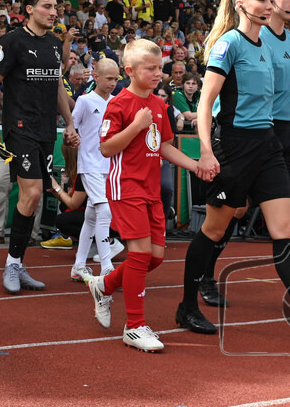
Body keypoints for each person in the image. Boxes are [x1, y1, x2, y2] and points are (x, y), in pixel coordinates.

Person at [179, 0, 290, 341]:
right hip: (235, 147)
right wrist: (207, 151)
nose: (269, 5)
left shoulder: (269, 49)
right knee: (214, 229)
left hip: (268, 144)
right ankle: (187, 306)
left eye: (271, 0)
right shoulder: (229, 44)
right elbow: (206, 102)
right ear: (241, 5)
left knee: (284, 229)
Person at [80, 39, 202, 353]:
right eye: (151, 68)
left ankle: (103, 285)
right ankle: (134, 326)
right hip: (126, 188)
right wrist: (135, 126)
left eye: (160, 68)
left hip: (151, 191)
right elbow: (106, 148)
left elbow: (163, 146)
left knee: (156, 257)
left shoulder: (161, 105)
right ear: (130, 71)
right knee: (139, 255)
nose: (157, 74)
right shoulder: (119, 104)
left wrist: (195, 165)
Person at [0, 0, 79, 294]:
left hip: (45, 130)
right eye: (47, 7)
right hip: (18, 128)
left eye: (55, 8)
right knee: (33, 192)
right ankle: (12, 264)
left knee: (34, 197)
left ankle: (17, 262)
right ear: (29, 9)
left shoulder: (53, 45)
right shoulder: (10, 42)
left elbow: (57, 87)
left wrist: (70, 123)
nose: (54, 13)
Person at [69, 58, 120, 280]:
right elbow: (72, 128)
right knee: (104, 211)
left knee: (91, 215)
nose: (113, 83)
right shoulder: (85, 101)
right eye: (109, 78)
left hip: (110, 166)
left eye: (116, 79)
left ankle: (79, 265)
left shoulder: (118, 102)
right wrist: (71, 137)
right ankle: (107, 266)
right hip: (90, 164)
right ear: (96, 77)